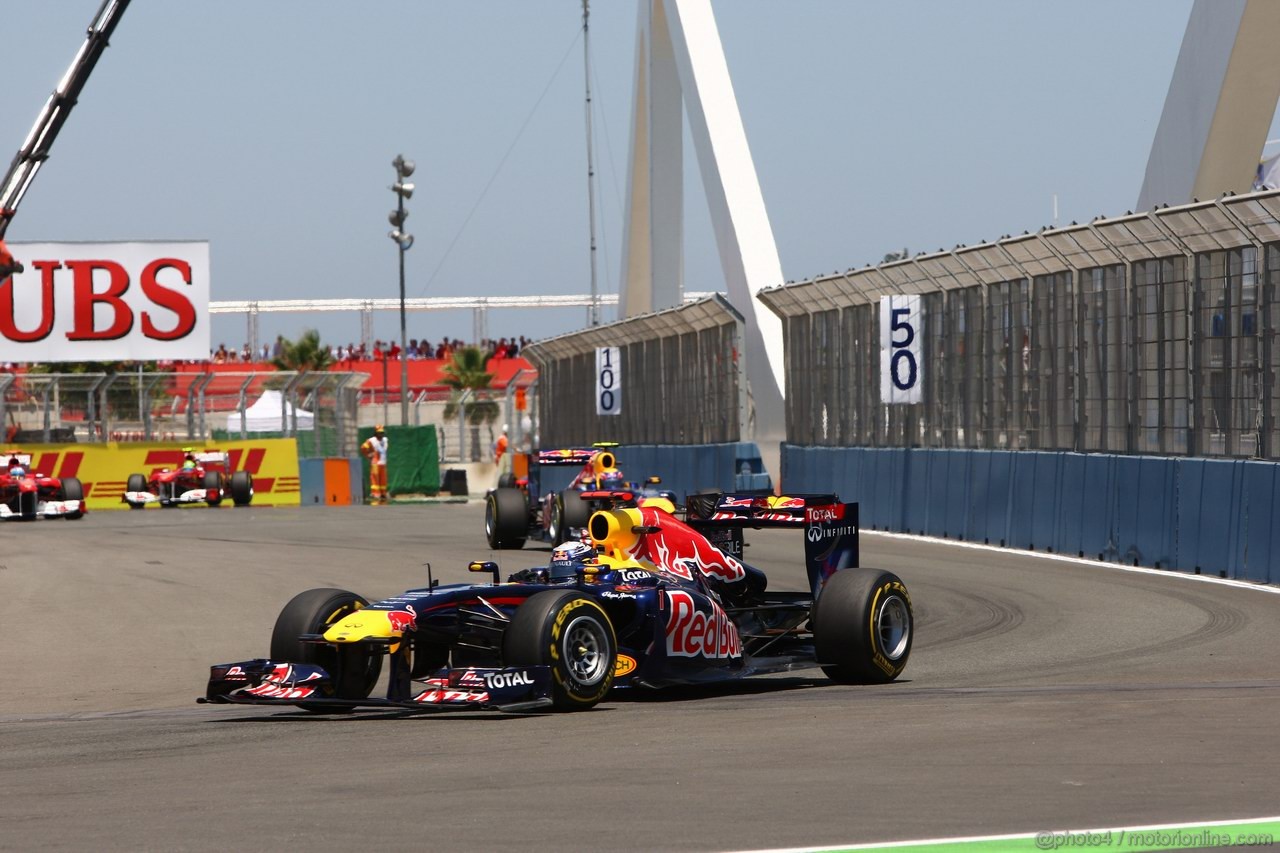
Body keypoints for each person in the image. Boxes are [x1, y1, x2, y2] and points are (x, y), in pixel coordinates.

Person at [361, 425, 389, 504]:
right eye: (379, 433)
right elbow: (363, 447)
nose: (381, 434)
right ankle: (376, 493)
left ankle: (383, 493)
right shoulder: (372, 440)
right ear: (376, 433)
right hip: (375, 463)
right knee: (375, 478)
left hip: (383, 463)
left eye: (382, 433)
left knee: (383, 479)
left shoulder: (385, 440)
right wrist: (368, 454)